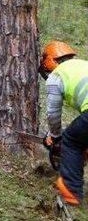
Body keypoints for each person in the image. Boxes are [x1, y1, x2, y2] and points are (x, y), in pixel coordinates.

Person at [39, 41, 88, 207]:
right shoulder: (82, 65)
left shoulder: (56, 76)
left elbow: (53, 114)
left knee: (72, 141)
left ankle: (71, 190)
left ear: (51, 61)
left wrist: (55, 136)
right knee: (81, 137)